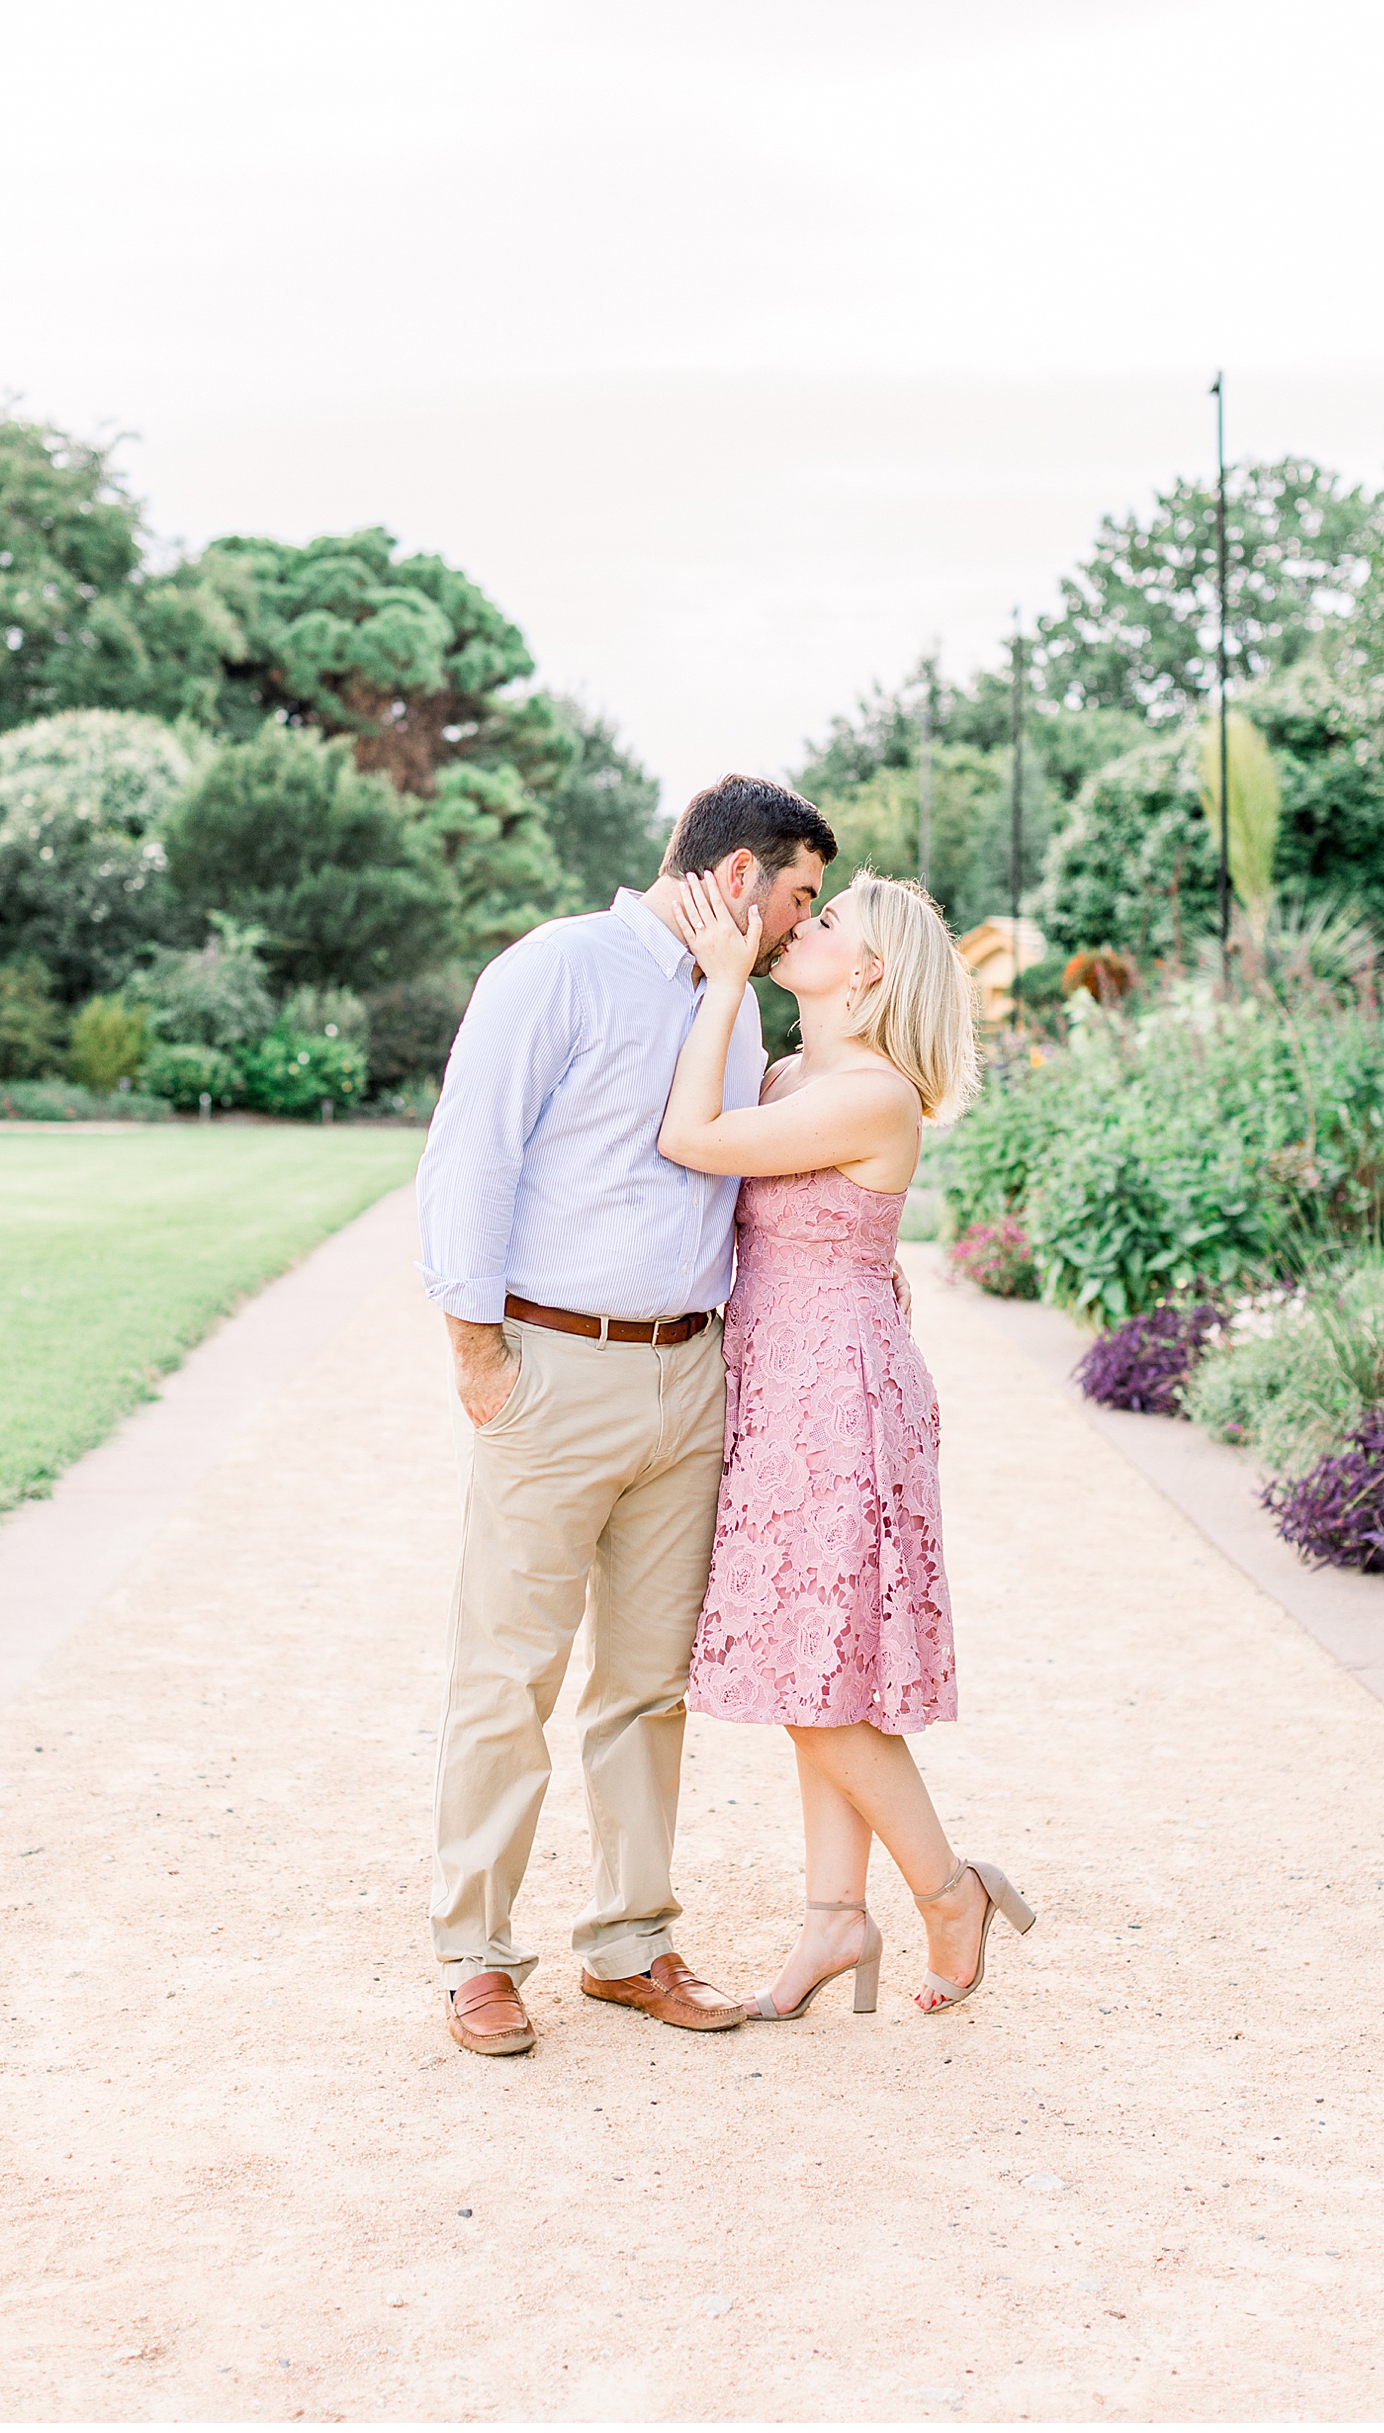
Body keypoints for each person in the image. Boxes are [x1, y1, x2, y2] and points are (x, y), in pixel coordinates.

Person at [416, 776, 837, 2056]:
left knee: (650, 1686)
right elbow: (470, 1153)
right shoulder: (557, 969)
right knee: (508, 1674)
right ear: (737, 878)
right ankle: (477, 1957)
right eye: (800, 896)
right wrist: (478, 1348)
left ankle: (632, 1941)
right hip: (554, 1366)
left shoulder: (740, 1007)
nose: (798, 924)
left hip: (688, 1378)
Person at [659, 866, 1036, 2019]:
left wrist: (725, 978)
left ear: (866, 970)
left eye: (824, 920)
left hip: (836, 1401)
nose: (798, 926)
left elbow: (689, 1136)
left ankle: (947, 1887)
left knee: (818, 1678)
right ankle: (834, 1916)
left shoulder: (871, 1089)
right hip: (781, 1384)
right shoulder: (793, 1075)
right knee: (811, 1668)